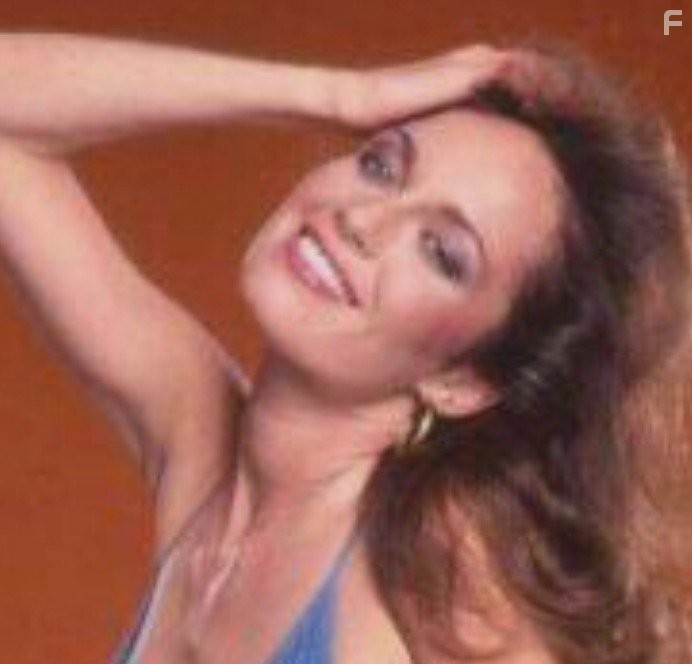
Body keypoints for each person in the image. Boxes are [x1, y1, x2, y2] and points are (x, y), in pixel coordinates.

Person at [0, 32, 690, 664]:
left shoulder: (443, 601)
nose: (362, 220)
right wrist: (339, 95)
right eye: (381, 165)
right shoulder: (204, 454)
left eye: (441, 252)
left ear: (464, 381)